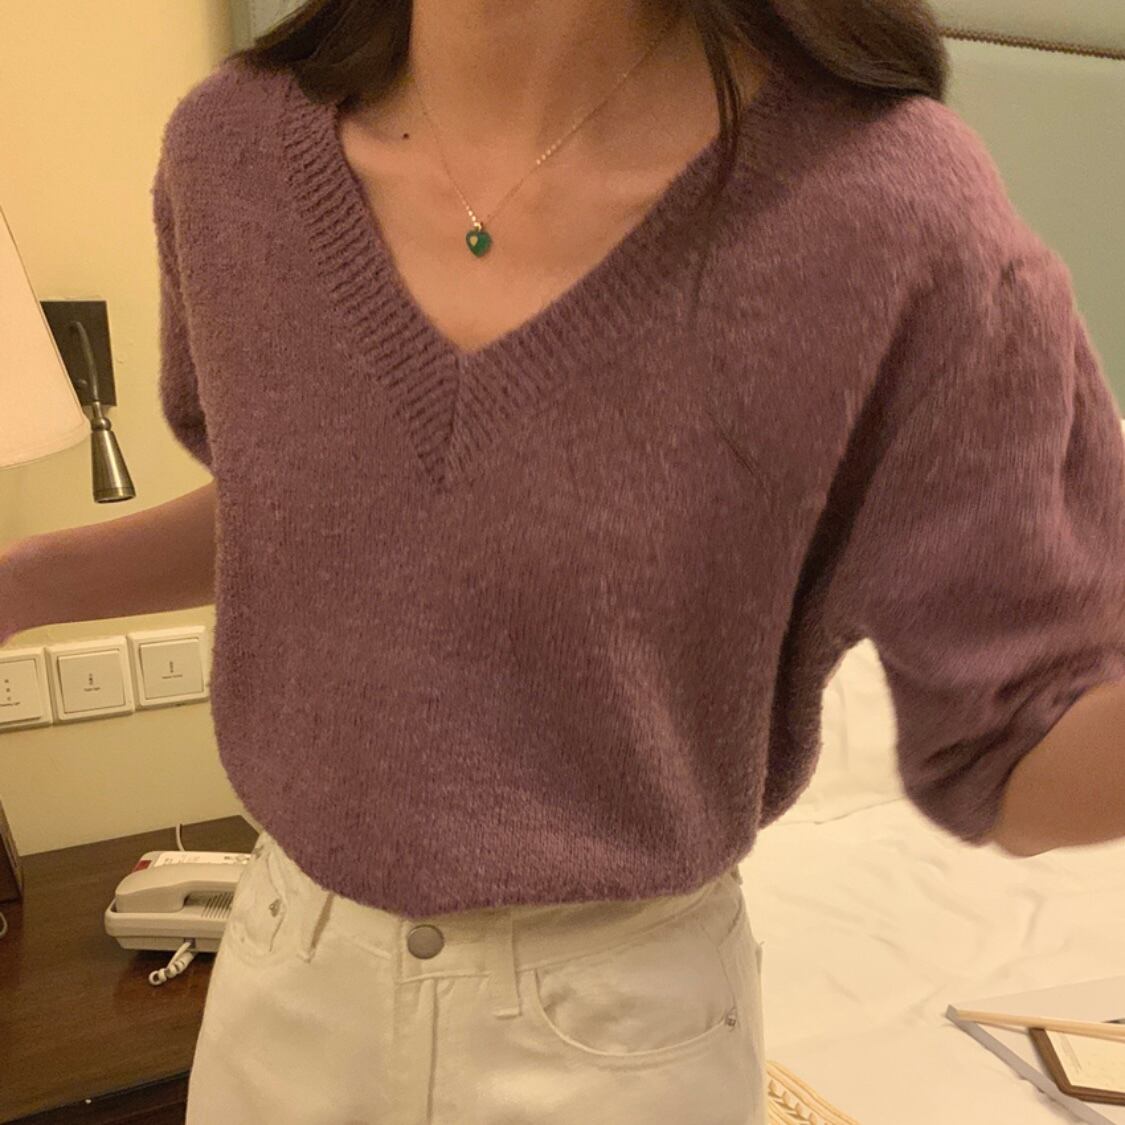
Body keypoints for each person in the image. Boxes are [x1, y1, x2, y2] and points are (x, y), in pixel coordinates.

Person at [3, 0, 1124, 1121]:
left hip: (614, 1042)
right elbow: (319, 515)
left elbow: (1026, 749)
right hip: (280, 992)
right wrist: (29, 581)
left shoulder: (890, 215)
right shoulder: (231, 156)